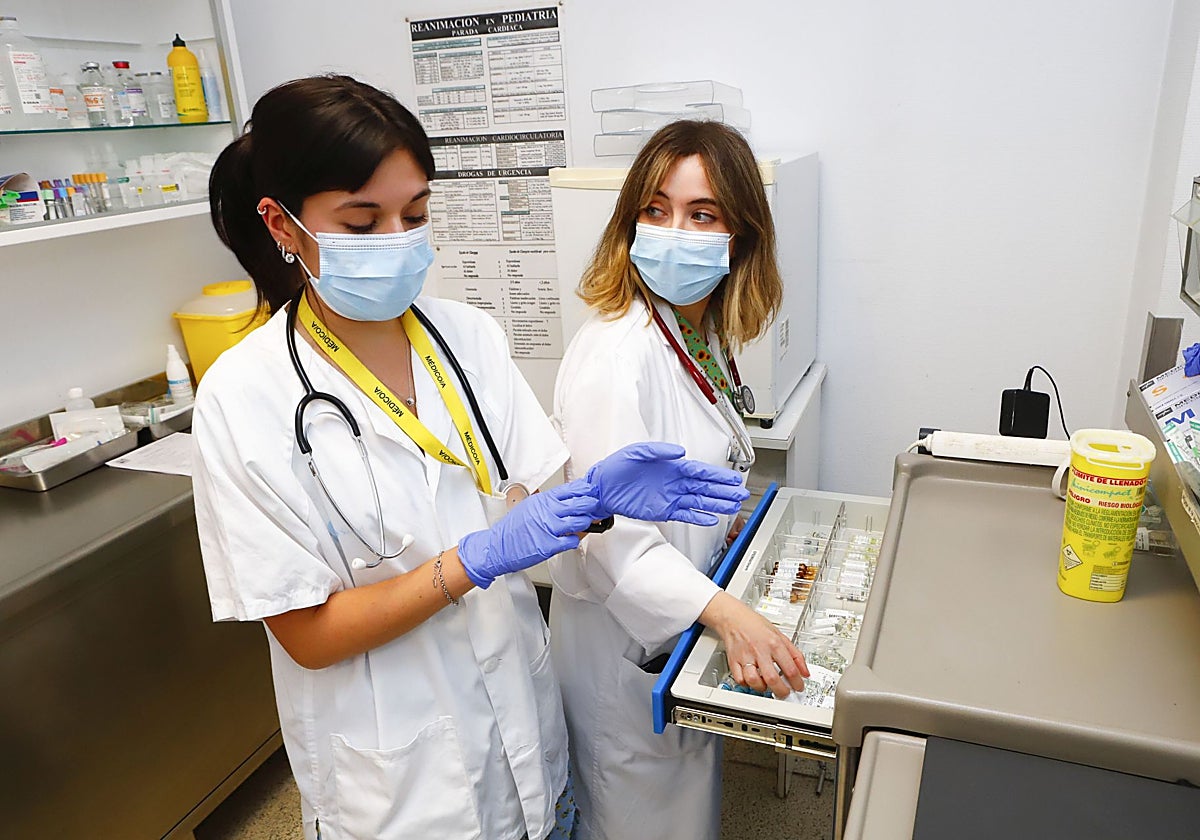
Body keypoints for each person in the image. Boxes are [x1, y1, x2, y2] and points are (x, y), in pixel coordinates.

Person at [193, 77, 749, 840]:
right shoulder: (243, 395)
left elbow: (528, 505)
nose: (398, 239)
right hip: (399, 778)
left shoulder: (469, 338)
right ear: (282, 223)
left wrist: (592, 500)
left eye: (415, 214)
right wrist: (472, 560)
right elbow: (308, 635)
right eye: (363, 223)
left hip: (523, 723)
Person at [549, 120, 812, 840]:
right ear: (630, 220)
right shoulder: (617, 353)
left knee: (684, 807)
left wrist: (731, 527)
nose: (674, 232)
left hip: (673, 630)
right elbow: (609, 540)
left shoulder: (694, 330)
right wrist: (727, 614)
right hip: (620, 646)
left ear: (739, 237)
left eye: (702, 215)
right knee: (635, 818)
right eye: (656, 209)